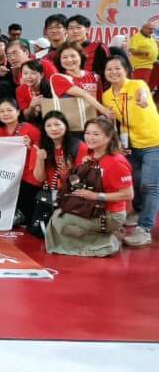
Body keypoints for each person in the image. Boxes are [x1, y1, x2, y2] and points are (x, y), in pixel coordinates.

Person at [45, 117, 134, 257]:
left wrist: (96, 196)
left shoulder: (116, 162)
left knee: (60, 221)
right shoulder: (91, 155)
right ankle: (103, 238)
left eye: (96, 134)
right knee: (57, 214)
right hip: (92, 207)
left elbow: (128, 194)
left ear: (109, 137)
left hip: (110, 214)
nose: (90, 137)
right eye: (87, 133)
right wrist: (82, 168)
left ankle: (104, 244)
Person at [101, 54, 159, 247]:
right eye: (109, 69)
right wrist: (118, 143)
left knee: (150, 185)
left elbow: (143, 95)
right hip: (130, 146)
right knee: (135, 182)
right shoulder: (107, 95)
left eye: (118, 68)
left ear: (126, 70)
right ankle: (138, 210)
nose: (113, 72)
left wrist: (143, 99)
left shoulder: (137, 85)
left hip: (154, 142)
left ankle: (144, 228)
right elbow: (113, 123)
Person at [0, 97, 41, 226]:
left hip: (26, 175)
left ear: (18, 112)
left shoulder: (30, 129)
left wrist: (30, 146)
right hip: (5, 175)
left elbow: (41, 151)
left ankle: (20, 214)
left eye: (9, 110)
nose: (5, 114)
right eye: (1, 111)